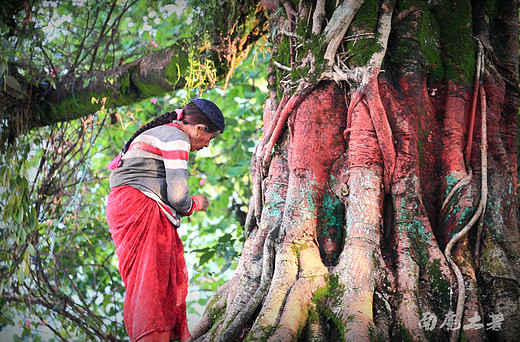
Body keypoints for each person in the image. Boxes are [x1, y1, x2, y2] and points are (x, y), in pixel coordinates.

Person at [105, 98, 225, 342]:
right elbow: (178, 196)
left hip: (126, 205)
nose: (206, 145)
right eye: (210, 139)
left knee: (146, 281)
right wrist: (196, 204)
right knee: (152, 282)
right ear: (199, 129)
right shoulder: (177, 137)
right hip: (139, 207)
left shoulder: (166, 132)